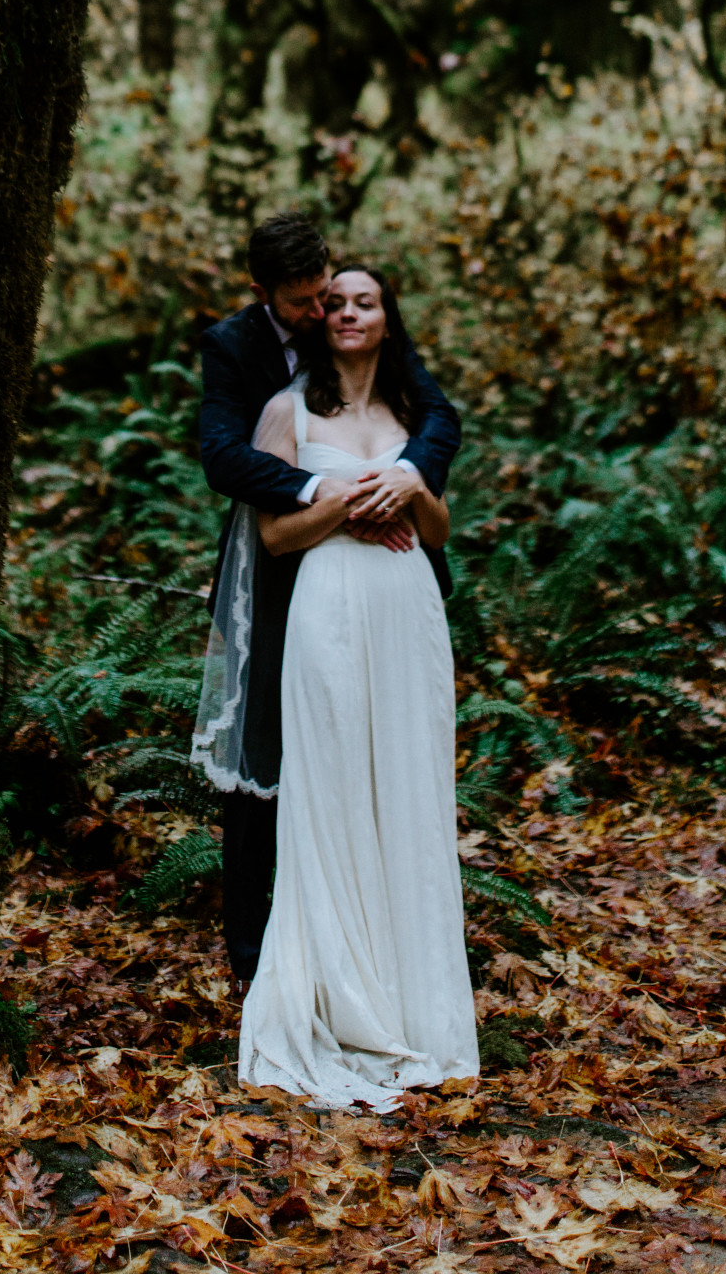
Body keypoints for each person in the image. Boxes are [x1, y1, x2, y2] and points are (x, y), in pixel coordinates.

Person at [231, 264, 477, 1107]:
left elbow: (439, 528)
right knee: (331, 788)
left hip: (407, 609)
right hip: (329, 604)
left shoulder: (415, 415)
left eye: (363, 301)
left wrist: (411, 485)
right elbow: (274, 537)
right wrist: (346, 504)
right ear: (315, 318)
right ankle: (336, 998)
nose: (346, 312)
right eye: (333, 303)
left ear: (387, 316)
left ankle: (416, 999)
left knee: (408, 789)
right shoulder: (286, 410)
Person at [195, 212, 461, 987]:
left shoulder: (369, 342)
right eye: (310, 303)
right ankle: (259, 957)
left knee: (387, 752)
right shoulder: (235, 348)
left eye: (336, 295)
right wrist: (337, 492)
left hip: (395, 586)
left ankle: (391, 939)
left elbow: (439, 418)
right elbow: (223, 458)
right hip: (287, 578)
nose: (327, 313)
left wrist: (410, 476)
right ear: (264, 292)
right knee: (266, 757)